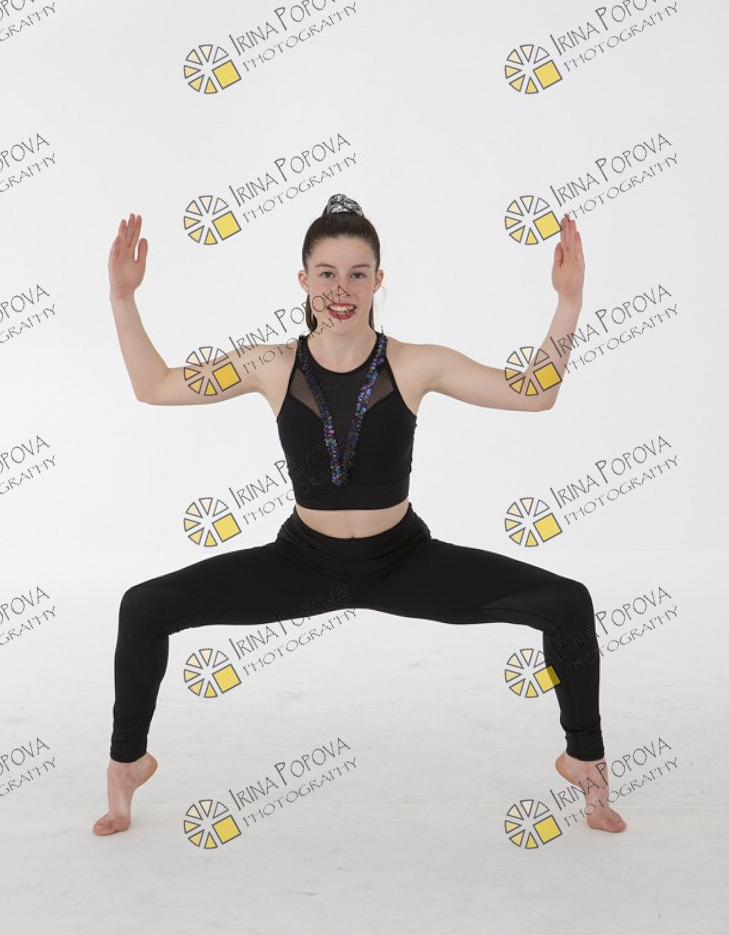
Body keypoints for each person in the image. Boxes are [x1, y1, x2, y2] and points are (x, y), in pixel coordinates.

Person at [94, 194, 626, 836]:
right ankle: (127, 766)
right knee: (143, 606)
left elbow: (534, 394)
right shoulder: (270, 365)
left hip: (404, 560)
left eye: (356, 274)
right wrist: (123, 298)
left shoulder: (415, 363)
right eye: (326, 273)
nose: (340, 289)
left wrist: (568, 301)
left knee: (567, 602)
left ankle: (585, 762)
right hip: (303, 563)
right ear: (303, 280)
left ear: (378, 280)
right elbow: (154, 386)